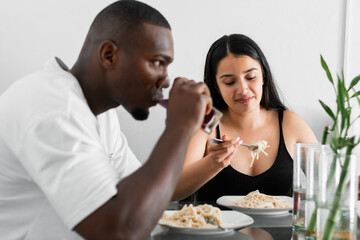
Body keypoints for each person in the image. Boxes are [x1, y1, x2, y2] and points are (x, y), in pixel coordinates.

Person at [0, 1, 213, 239]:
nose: (165, 81)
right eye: (157, 63)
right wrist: (180, 127)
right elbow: (121, 230)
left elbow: (142, 199)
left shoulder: (101, 116)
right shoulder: (54, 106)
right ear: (108, 55)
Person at [172, 34, 318, 202]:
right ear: (216, 86)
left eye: (250, 78)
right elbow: (173, 190)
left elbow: (329, 183)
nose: (242, 89)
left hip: (281, 229)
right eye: (229, 82)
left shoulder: (289, 123)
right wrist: (213, 163)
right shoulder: (207, 122)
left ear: (263, 76)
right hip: (215, 227)